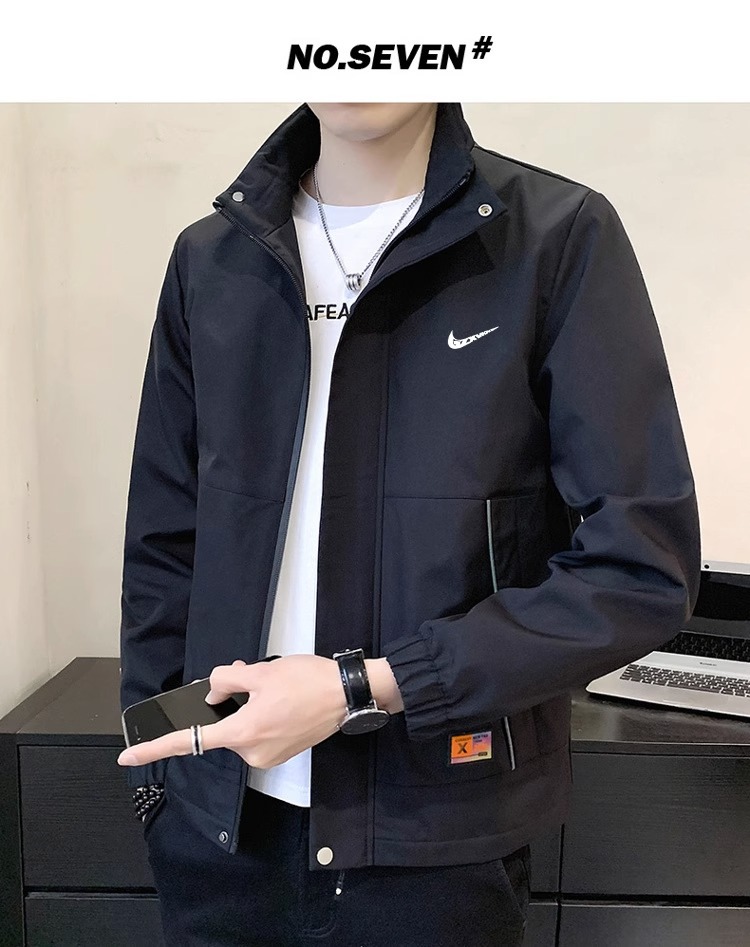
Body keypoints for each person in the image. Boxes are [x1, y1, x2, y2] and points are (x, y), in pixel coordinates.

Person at [117, 102, 701, 946]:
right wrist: (159, 785)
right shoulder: (210, 259)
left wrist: (367, 684)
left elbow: (640, 569)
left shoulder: (554, 238)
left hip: (439, 845)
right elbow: (164, 544)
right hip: (219, 839)